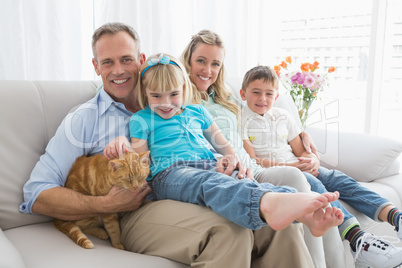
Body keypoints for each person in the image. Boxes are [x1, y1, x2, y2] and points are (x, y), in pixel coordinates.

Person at [20, 22, 315, 268]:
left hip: (198, 179)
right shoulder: (84, 118)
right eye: (107, 62)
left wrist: (228, 158)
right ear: (96, 67)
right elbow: (37, 193)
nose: (118, 70)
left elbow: (201, 142)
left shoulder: (178, 102)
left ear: (142, 60)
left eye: (126, 59)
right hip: (141, 207)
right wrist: (104, 204)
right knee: (228, 230)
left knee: (281, 227)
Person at [120, 52, 343, 236]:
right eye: (156, 96)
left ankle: (305, 217)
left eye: (174, 94)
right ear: (145, 94)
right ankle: (268, 204)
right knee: (209, 181)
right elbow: (142, 163)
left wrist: (231, 158)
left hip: (208, 163)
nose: (166, 103)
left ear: (184, 91)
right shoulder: (141, 119)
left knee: (241, 177)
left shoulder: (197, 111)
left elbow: (223, 145)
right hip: (169, 173)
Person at [180, 29, 346, 268]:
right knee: (295, 177)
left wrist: (301, 132)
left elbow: (261, 110)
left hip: (254, 167)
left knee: (317, 191)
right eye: (201, 61)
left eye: (215, 63)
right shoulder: (181, 99)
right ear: (189, 61)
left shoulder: (226, 98)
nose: (208, 71)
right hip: (230, 172)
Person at [240, 65, 402, 268]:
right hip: (277, 171)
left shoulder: (283, 116)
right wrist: (294, 166)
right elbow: (252, 160)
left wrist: (311, 161)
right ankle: (359, 239)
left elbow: (302, 151)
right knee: (317, 188)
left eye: (269, 94)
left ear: (276, 95)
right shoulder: (241, 118)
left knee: (337, 178)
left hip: (298, 166)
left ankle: (396, 217)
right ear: (243, 93)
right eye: (256, 92)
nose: (262, 99)